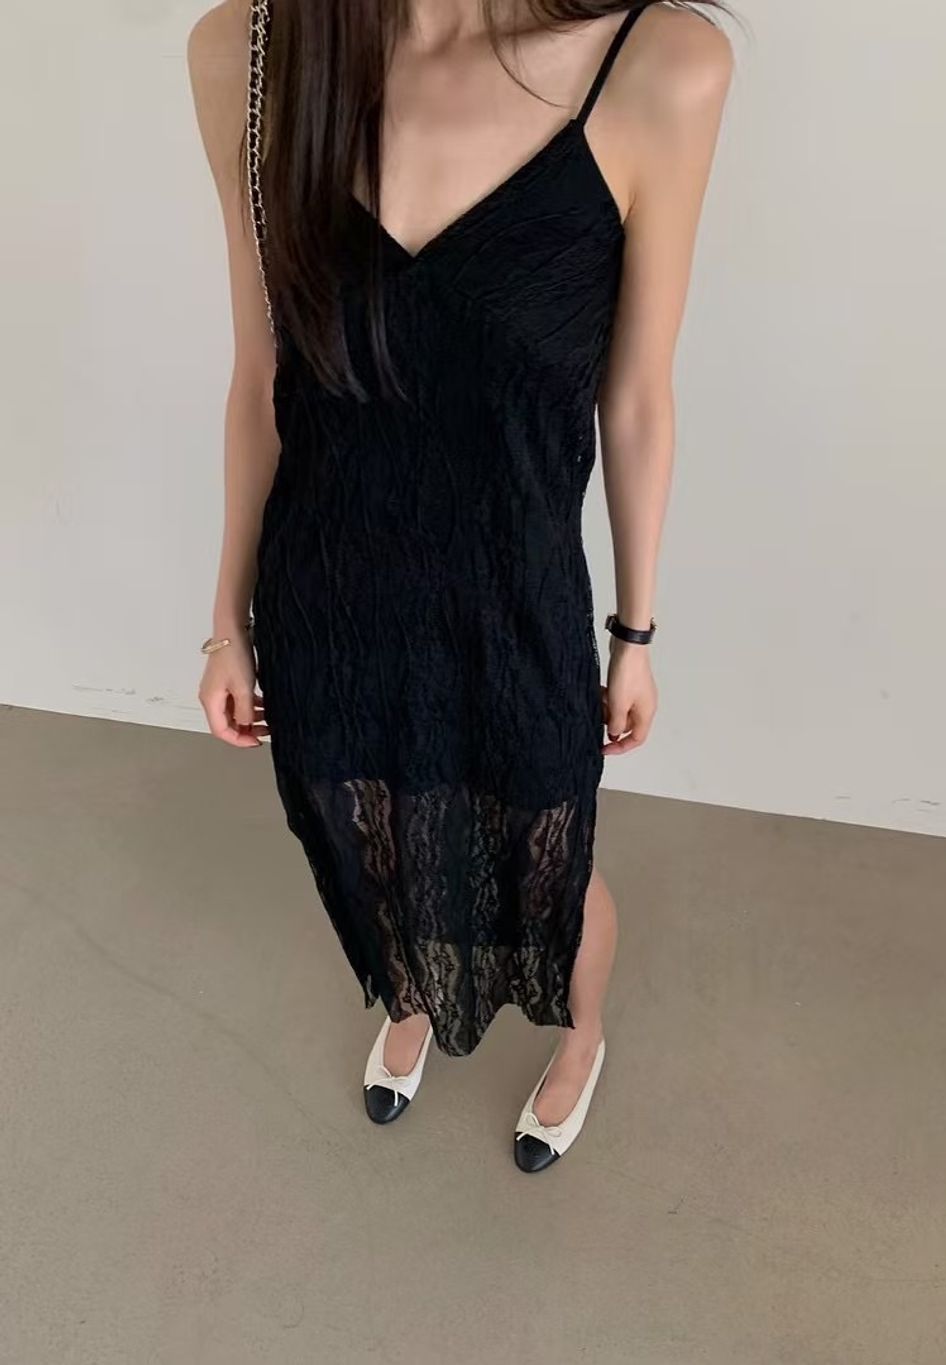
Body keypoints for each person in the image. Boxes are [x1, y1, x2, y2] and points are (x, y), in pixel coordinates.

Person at [188, 0, 731, 1172]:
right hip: (330, 599)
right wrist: (225, 620)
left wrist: (633, 631)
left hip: (514, 606)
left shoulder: (659, 64)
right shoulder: (249, 52)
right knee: (375, 845)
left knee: (548, 855)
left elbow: (638, 396)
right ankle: (416, 997)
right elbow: (261, 375)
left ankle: (580, 1035)